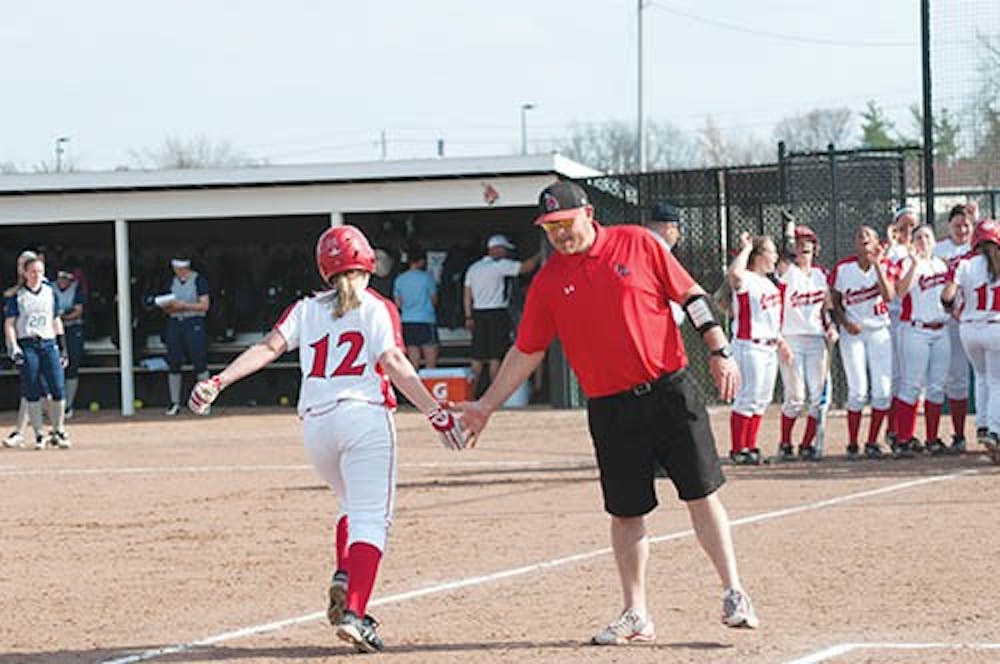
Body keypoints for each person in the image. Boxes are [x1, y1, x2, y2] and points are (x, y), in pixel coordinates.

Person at [459, 181, 758, 646]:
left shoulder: (638, 242)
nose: (558, 234)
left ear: (589, 213)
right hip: (611, 407)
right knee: (625, 513)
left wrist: (720, 350)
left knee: (701, 494)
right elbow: (526, 350)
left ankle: (734, 591)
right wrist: (485, 406)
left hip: (669, 391)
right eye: (550, 227)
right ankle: (636, 612)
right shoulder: (550, 281)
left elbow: (692, 296)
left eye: (564, 223)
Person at [187, 225, 467, 652]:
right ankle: (356, 613)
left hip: (317, 427)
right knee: (372, 518)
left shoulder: (305, 308)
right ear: (369, 262)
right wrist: (434, 411)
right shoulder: (377, 307)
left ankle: (343, 573)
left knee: (350, 506)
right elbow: (392, 360)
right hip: (364, 418)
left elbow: (268, 347)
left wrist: (219, 381)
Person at [829, 226, 897, 460]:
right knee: (858, 391)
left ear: (877, 242)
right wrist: (845, 322)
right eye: (860, 237)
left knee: (883, 391)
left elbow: (889, 296)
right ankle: (852, 442)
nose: (864, 240)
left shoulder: (885, 265)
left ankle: (871, 441)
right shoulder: (843, 268)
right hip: (853, 333)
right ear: (855, 244)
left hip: (879, 331)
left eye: (869, 237)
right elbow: (835, 302)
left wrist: (878, 264)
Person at [726, 232, 791, 464]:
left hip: (769, 346)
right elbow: (733, 274)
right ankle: (738, 449)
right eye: (771, 252)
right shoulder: (747, 279)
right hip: (749, 345)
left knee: (762, 399)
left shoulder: (769, 284)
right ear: (758, 256)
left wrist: (780, 340)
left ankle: (750, 445)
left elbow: (772, 319)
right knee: (747, 398)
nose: (775, 257)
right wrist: (746, 248)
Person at [942, 219, 1000, 464]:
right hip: (996, 326)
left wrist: (954, 312)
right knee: (997, 381)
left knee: (982, 377)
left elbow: (947, 296)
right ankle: (995, 431)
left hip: (968, 328)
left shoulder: (963, 263)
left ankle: (983, 426)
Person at [777, 225, 837, 461]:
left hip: (815, 339)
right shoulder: (786, 272)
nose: (804, 252)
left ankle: (806, 444)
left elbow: (826, 308)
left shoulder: (821, 275)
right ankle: (785, 443)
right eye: (799, 247)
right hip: (791, 337)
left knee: (818, 396)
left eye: (808, 248)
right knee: (795, 396)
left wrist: (830, 325)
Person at [893, 225, 952, 456]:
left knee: (937, 387)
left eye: (927, 236)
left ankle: (932, 438)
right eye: (918, 237)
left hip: (941, 328)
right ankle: (903, 438)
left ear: (934, 240)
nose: (923, 241)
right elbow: (900, 291)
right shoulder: (907, 263)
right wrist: (915, 264)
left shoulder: (941, 264)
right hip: (915, 329)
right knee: (911, 384)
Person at [4, 256, 70, 450]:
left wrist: (62, 346)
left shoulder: (50, 293)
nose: (37, 276)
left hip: (48, 343)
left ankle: (58, 430)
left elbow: (56, 319)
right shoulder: (19, 296)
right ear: (25, 273)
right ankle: (39, 433)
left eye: (40, 272)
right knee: (32, 389)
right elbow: (10, 323)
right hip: (28, 343)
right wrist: (14, 347)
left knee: (57, 387)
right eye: (33, 272)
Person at [463, 234, 540, 392]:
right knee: (495, 356)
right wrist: (542, 253)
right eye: (504, 250)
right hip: (496, 313)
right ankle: (494, 394)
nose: (506, 253)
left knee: (477, 356)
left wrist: (468, 316)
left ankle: (470, 393)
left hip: (477, 313)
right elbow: (526, 267)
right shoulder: (500, 266)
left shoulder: (473, 268)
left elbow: (467, 294)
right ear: (497, 249)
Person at [932, 204, 975, 452]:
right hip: (946, 320)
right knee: (954, 378)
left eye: (966, 224)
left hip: (973, 317)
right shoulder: (939, 250)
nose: (962, 228)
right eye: (957, 224)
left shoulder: (979, 250)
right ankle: (958, 435)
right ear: (949, 225)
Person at [885, 206, 918, 449]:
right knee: (897, 377)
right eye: (903, 225)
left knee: (912, 378)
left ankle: (906, 430)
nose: (907, 231)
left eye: (912, 226)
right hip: (892, 317)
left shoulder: (919, 250)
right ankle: (893, 429)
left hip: (915, 318)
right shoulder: (893, 251)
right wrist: (888, 243)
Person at [161, 258, 210, 415]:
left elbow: (204, 305)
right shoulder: (172, 281)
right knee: (173, 361)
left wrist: (184, 306)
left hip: (194, 321)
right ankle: (174, 402)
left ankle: (205, 402)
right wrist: (169, 307)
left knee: (199, 361)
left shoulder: (198, 280)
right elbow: (168, 306)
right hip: (175, 322)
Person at [393, 247, 439, 369]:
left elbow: (398, 303)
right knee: (430, 357)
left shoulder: (400, 279)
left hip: (407, 320)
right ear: (422, 261)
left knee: (413, 359)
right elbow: (434, 299)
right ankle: (430, 384)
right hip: (426, 320)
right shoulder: (427, 278)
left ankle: (413, 385)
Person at [645, 201, 687, 327]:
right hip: (657, 323)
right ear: (669, 228)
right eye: (677, 228)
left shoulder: (637, 245)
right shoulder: (660, 252)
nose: (678, 235)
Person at [54, 269, 86, 418]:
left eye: (67, 278)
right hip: (54, 331)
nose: (63, 281)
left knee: (72, 366)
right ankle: (54, 404)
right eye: (61, 278)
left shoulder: (76, 288)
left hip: (72, 329)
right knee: (54, 367)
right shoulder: (50, 288)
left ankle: (68, 405)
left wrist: (63, 317)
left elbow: (78, 311)